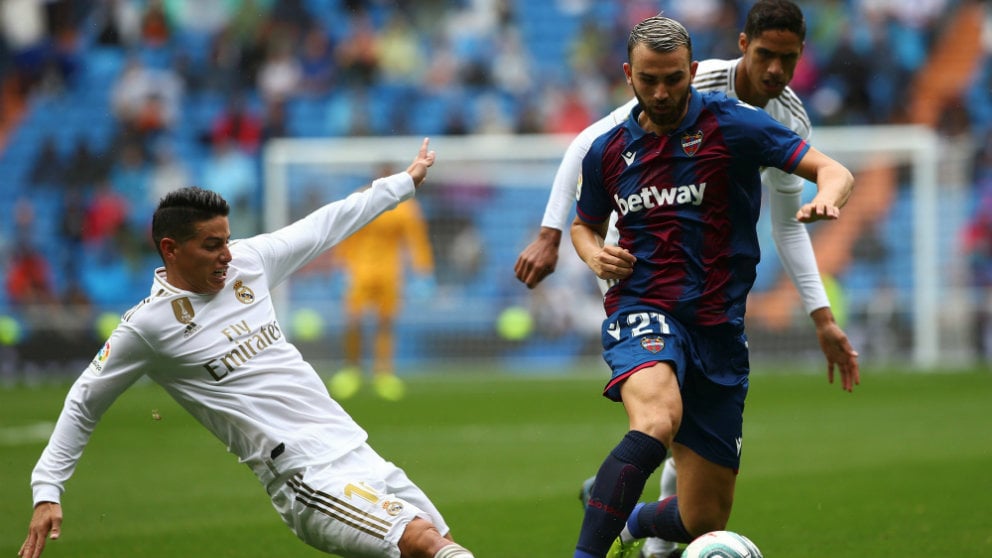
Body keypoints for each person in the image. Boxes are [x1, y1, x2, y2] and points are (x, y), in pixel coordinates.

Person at [18, 138, 475, 558]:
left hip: (355, 447)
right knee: (423, 544)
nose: (228, 255)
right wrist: (47, 490)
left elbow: (324, 225)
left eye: (228, 240)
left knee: (442, 544)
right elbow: (84, 400)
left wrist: (401, 183)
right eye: (213, 245)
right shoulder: (149, 326)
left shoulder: (249, 263)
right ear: (171, 249)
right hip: (306, 477)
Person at [515, 2, 860, 555]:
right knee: (655, 419)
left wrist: (828, 196)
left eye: (673, 79)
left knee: (703, 518)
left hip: (719, 328)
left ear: (693, 71)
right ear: (629, 77)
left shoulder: (739, 125)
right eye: (648, 80)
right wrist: (587, 252)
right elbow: (588, 224)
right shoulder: (610, 148)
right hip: (643, 308)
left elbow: (834, 170)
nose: (661, 92)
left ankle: (626, 517)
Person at [327, 164, 436, 401]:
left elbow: (415, 240)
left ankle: (383, 372)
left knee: (386, 321)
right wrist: (340, 266)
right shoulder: (362, 198)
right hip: (359, 270)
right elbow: (346, 232)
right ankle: (352, 369)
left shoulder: (406, 206)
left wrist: (423, 272)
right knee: (353, 320)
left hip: (389, 271)